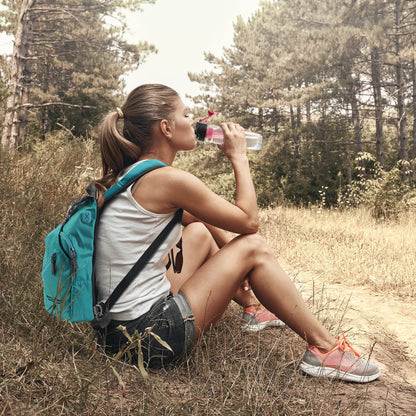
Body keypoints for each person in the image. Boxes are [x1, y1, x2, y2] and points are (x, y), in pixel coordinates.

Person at [94, 84, 380, 383]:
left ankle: (253, 307)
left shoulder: (131, 174)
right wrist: (239, 157)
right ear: (166, 128)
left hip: (114, 334)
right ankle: (325, 349)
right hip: (151, 338)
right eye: (187, 114)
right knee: (254, 247)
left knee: (201, 233)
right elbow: (249, 221)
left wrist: (234, 266)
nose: (195, 122)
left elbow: (196, 216)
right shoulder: (167, 179)